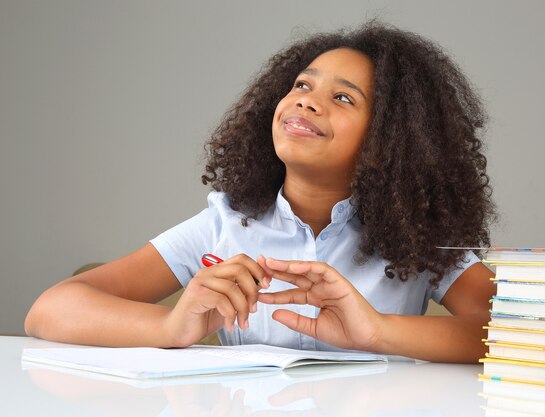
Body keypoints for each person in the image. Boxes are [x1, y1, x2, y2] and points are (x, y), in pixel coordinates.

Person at [24, 22, 497, 363]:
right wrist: (171, 327)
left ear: (388, 143)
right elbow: (51, 310)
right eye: (301, 85)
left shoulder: (419, 235)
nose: (305, 100)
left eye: (343, 97)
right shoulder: (224, 224)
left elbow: (512, 332)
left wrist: (376, 331)